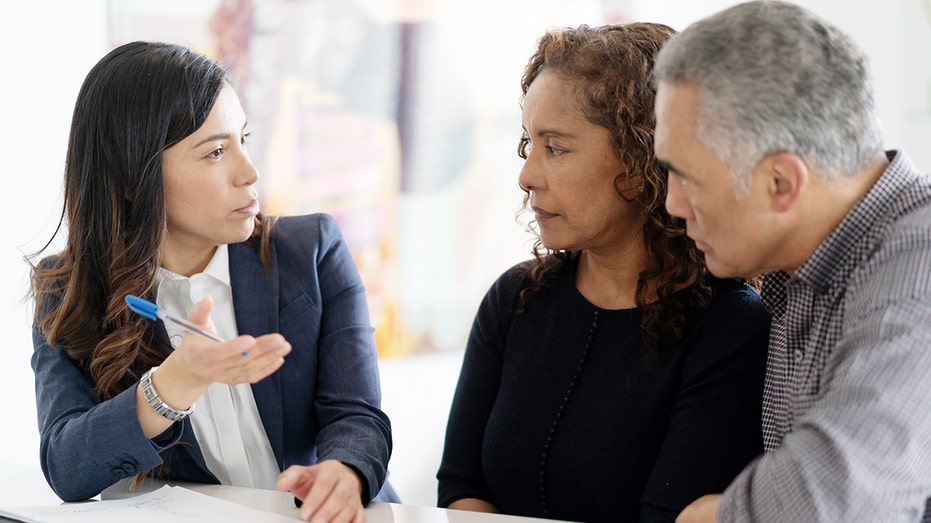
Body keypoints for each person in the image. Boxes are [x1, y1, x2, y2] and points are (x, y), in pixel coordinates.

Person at [29, 41, 394, 523]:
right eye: (216, 152)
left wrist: (344, 473)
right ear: (133, 178)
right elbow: (66, 468)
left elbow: (357, 416)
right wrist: (177, 381)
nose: (249, 172)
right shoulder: (67, 290)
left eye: (243, 139)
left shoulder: (312, 249)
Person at [436, 23, 770, 522]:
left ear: (642, 159)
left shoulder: (730, 327)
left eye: (556, 147)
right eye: (530, 143)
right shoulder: (515, 299)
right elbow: (462, 486)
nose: (526, 176)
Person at [651, 1, 931, 521]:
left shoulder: (920, 270)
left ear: (781, 184)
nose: (671, 204)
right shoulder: (800, 270)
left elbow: (832, 500)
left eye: (685, 175)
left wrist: (715, 516)